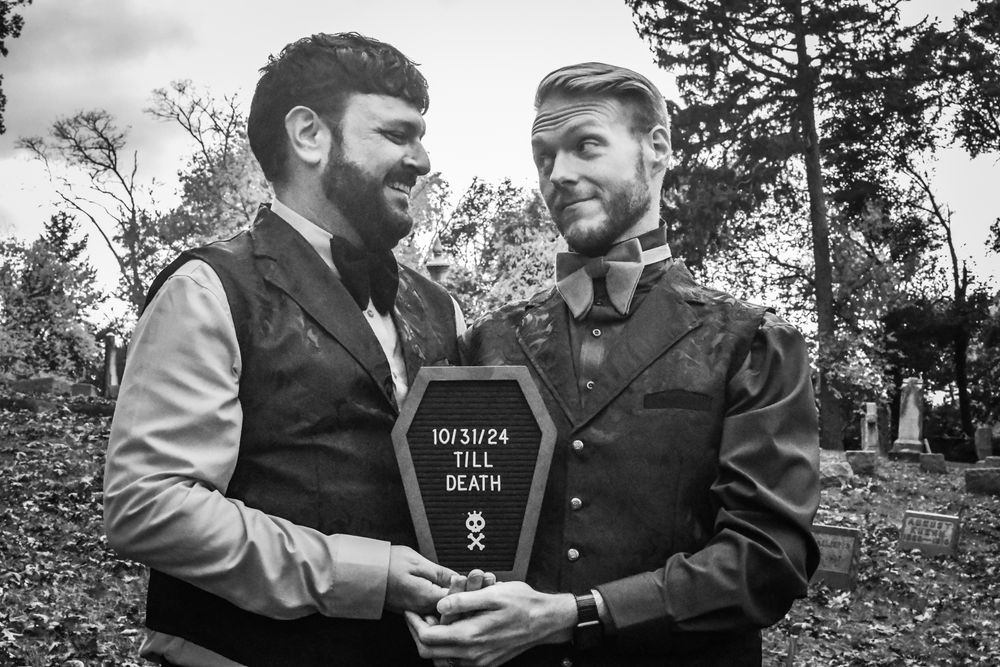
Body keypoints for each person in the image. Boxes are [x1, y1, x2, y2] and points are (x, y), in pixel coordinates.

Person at [407, 62, 820, 666]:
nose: (558, 173)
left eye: (586, 145)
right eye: (544, 156)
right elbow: (456, 513)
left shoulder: (751, 342)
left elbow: (769, 559)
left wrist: (575, 615)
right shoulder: (487, 343)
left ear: (657, 149)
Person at [104, 32, 469, 666]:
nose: (423, 160)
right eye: (397, 135)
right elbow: (149, 506)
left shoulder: (443, 309)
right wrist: (363, 575)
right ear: (308, 135)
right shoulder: (209, 289)